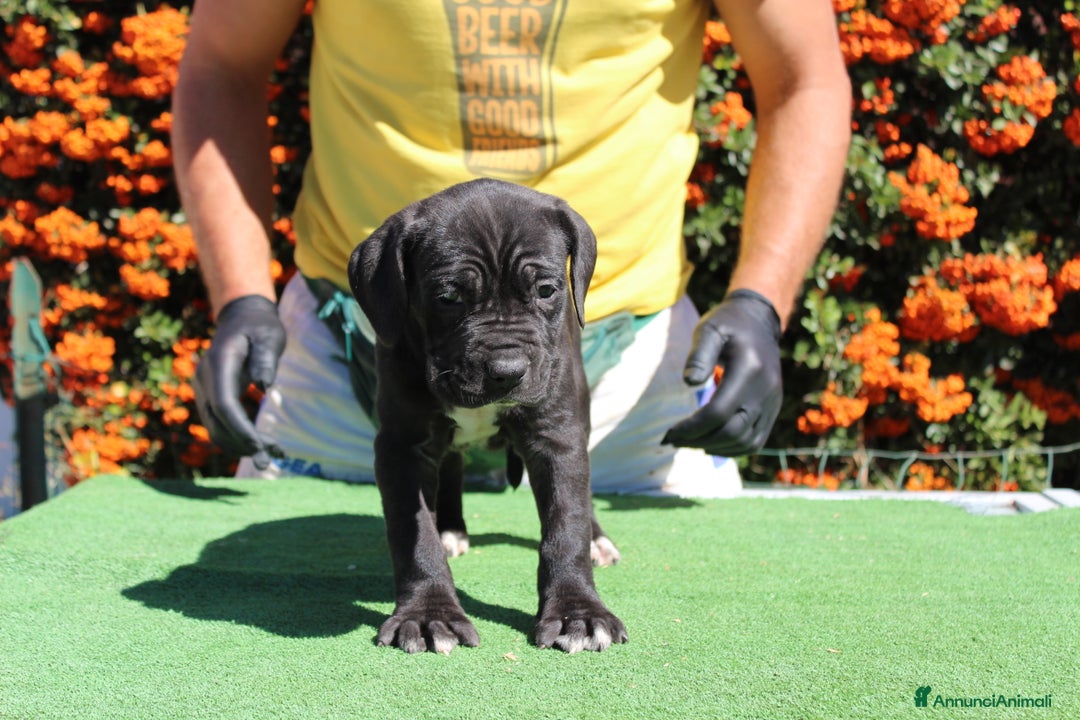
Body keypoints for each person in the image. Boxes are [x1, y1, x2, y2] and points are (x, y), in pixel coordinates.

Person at [172, 0, 851, 496]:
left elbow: (804, 79)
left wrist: (760, 302)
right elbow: (221, 69)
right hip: (355, 363)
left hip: (625, 380)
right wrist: (240, 298)